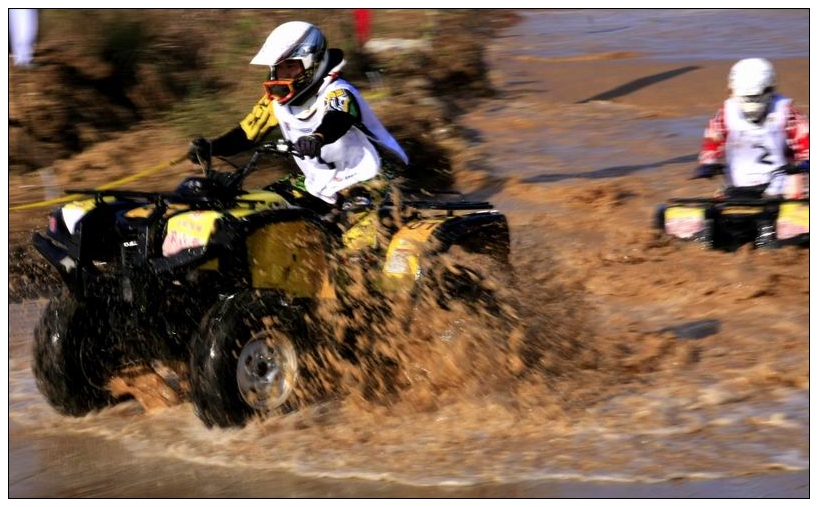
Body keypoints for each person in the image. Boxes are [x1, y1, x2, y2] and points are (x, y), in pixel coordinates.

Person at [188, 21, 409, 215]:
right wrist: (210, 147)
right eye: (278, 68)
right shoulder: (275, 102)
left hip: (371, 176)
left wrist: (317, 138)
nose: (283, 75)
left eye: (291, 66)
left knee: (354, 238)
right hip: (322, 183)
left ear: (313, 63)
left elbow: (338, 119)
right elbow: (246, 134)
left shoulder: (338, 92)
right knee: (257, 209)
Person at [696, 57, 809, 198]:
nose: (752, 102)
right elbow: (712, 142)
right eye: (747, 98)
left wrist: (806, 162)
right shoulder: (726, 113)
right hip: (737, 187)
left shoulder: (786, 112)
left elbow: (805, 141)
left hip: (783, 188)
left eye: (756, 97)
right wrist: (708, 164)